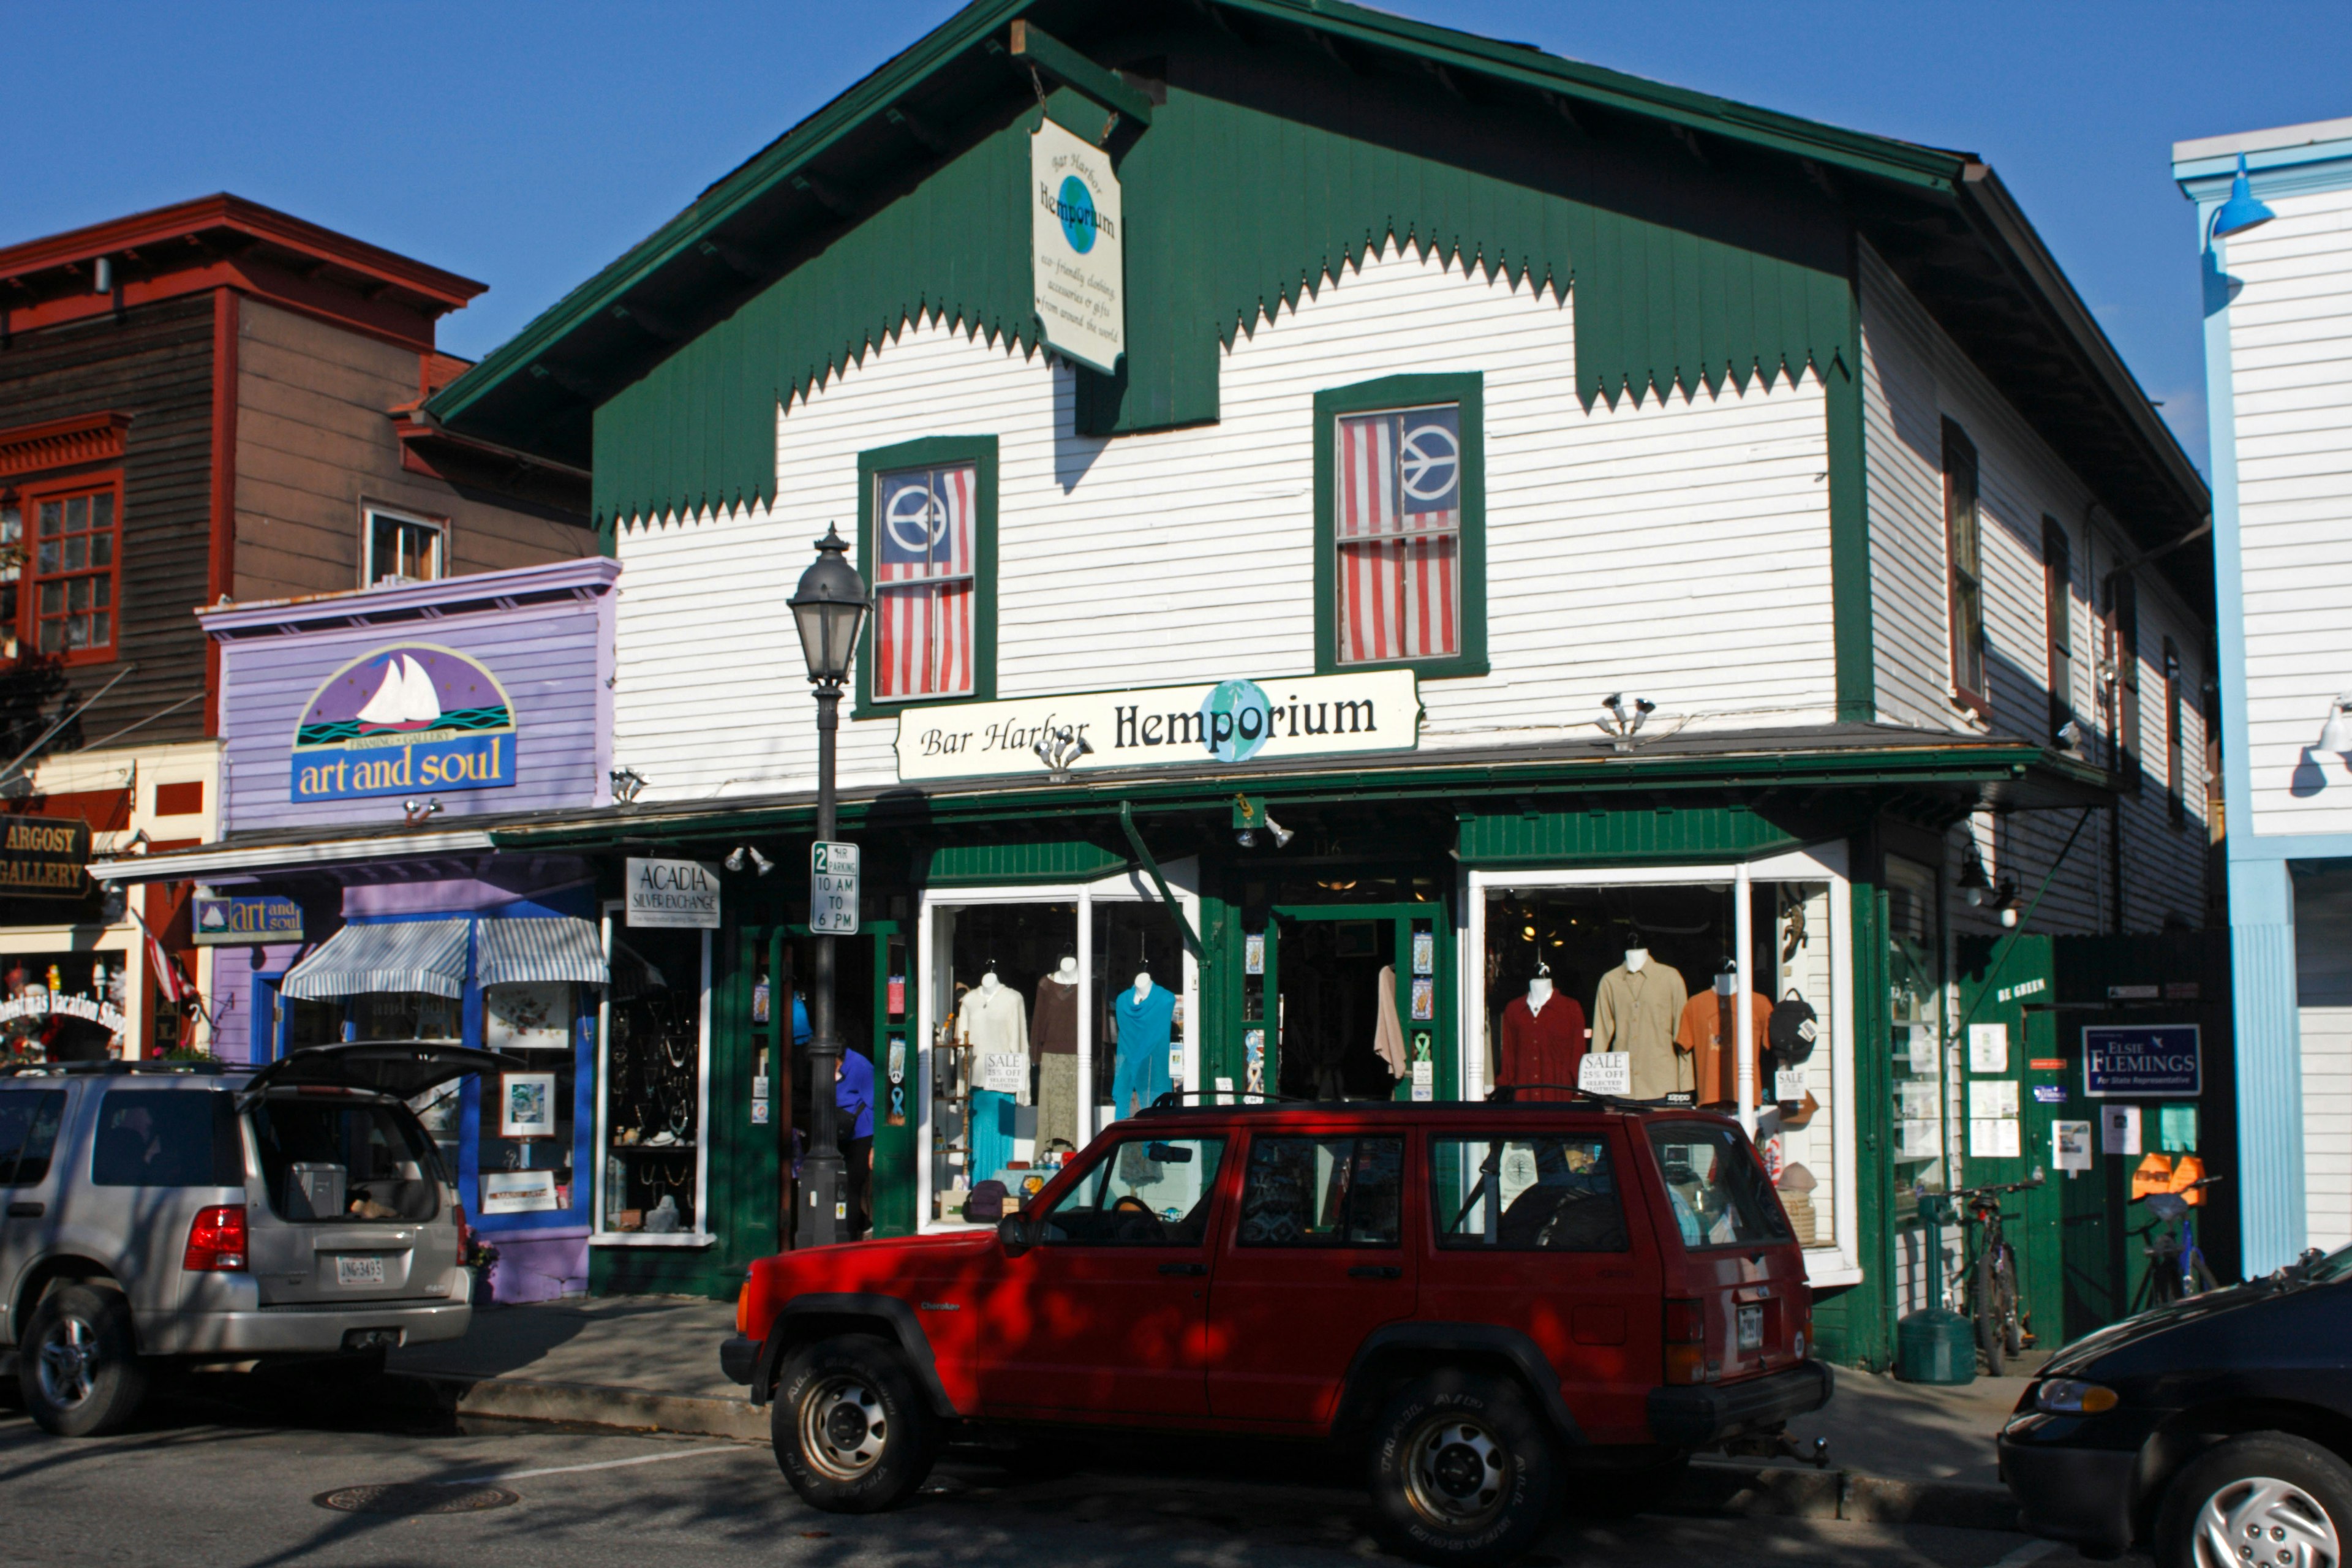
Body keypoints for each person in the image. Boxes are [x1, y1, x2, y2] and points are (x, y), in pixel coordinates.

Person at [836, 1047, 875, 1237]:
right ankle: (864, 1223)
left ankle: (850, 1235)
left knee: (851, 1185)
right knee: (840, 1183)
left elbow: (878, 1104)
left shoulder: (861, 1067)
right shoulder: (827, 1066)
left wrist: (875, 1146)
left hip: (862, 1134)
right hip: (840, 1133)